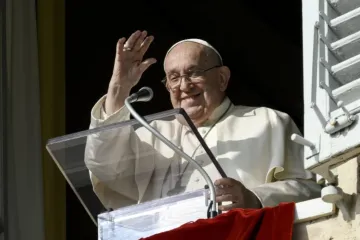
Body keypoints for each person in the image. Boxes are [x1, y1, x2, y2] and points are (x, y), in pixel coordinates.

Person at [85, 30, 321, 211]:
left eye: (194, 73)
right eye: (174, 78)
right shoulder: (151, 133)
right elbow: (105, 167)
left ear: (221, 78)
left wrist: (255, 198)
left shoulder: (269, 122)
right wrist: (119, 88)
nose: (184, 86)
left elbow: (311, 189)